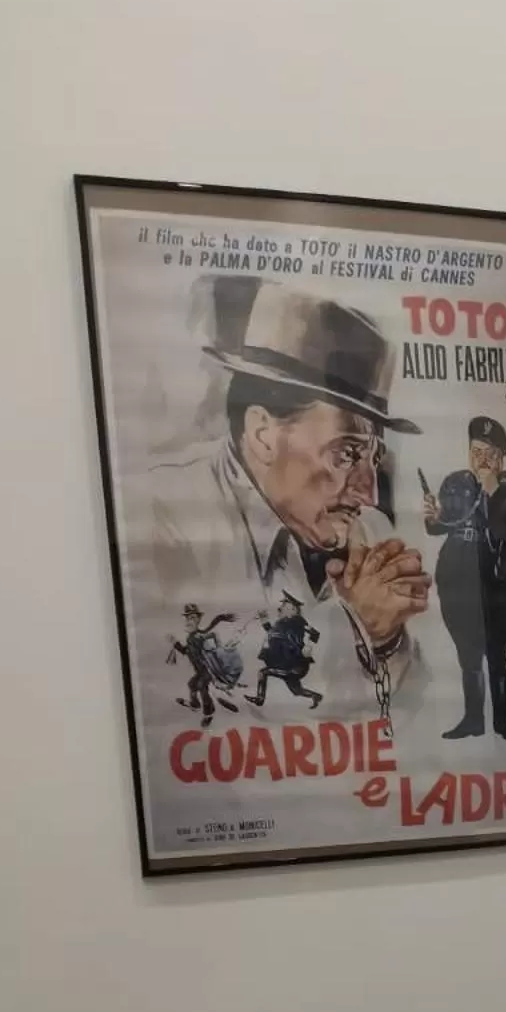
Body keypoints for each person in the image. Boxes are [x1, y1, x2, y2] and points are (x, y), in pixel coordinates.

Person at [143, 281, 431, 721]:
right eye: (347, 453)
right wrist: (358, 626)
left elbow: (415, 711)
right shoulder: (163, 516)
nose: (368, 491)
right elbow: (215, 715)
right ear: (264, 434)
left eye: (373, 457)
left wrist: (389, 638)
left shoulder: (370, 532)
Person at [422, 415, 506, 743]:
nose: (481, 459)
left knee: (498, 656)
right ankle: (473, 720)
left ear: (502, 456)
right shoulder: (455, 483)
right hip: (458, 584)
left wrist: (495, 492)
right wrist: (432, 518)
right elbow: (441, 525)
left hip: (500, 585)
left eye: (489, 452)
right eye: (476, 450)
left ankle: (502, 722)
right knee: (468, 656)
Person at [245, 592, 322, 709]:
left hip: (295, 666)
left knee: (263, 672)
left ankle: (260, 699)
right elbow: (273, 634)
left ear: (293, 609)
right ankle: (316, 696)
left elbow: (315, 633)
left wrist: (309, 646)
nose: (279, 608)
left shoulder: (298, 621)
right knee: (297, 691)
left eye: (284, 606)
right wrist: (264, 620)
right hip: (286, 664)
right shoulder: (280, 623)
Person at [168, 604, 239, 725]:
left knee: (201, 685)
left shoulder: (199, 636)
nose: (190, 620)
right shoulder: (191, 638)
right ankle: (195, 704)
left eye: (193, 618)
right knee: (191, 684)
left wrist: (221, 618)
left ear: (198, 619)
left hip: (208, 669)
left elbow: (209, 633)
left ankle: (209, 713)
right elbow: (186, 652)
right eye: (188, 618)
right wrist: (176, 644)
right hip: (200, 670)